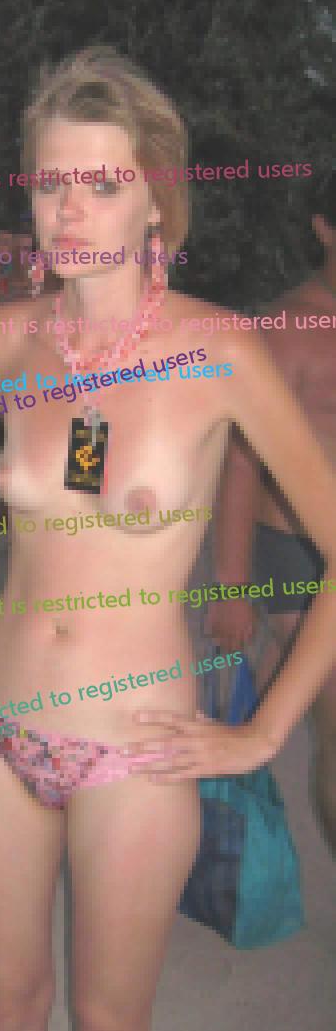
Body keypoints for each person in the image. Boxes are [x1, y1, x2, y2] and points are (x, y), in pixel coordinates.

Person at [0, 46, 336, 1031]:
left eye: (101, 184)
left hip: (136, 750)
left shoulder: (222, 351)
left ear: (155, 202)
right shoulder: (6, 338)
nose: (69, 210)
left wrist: (266, 730)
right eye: (51, 182)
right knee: (6, 1013)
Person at [210, 169, 336, 854]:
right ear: (323, 229)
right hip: (299, 552)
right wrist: (232, 587)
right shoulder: (285, 328)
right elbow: (241, 463)